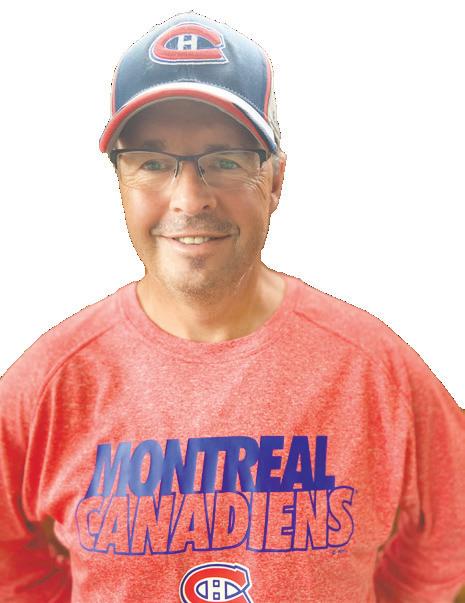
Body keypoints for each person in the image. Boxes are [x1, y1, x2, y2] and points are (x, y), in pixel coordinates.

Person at [0, 10, 464, 603]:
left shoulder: (375, 371)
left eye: (225, 160)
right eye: (152, 162)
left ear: (275, 181)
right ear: (120, 180)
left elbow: (452, 522)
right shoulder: (49, 384)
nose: (189, 200)